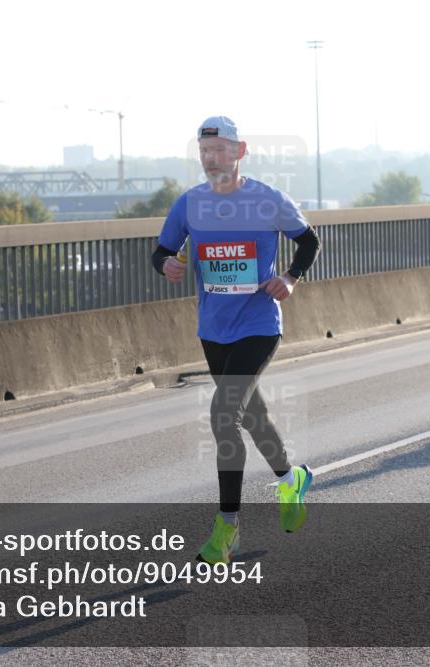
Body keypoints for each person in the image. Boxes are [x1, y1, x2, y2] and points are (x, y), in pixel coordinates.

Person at [151, 116, 322, 564]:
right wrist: (166, 265)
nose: (211, 159)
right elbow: (162, 250)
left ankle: (227, 527)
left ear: (239, 151)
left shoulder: (267, 199)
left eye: (220, 150)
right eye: (204, 151)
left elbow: (309, 242)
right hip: (213, 328)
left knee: (224, 416)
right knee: (253, 416)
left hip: (260, 323)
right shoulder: (189, 204)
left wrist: (290, 277)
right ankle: (291, 479)